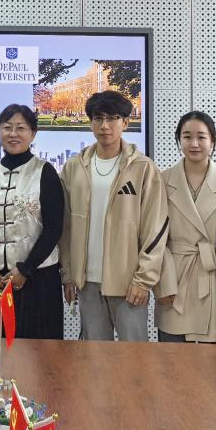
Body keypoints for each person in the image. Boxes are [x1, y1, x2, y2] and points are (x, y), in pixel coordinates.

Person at [60, 89, 168, 342]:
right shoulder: (75, 167)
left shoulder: (142, 168)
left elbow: (156, 227)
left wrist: (144, 280)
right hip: (87, 282)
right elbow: (66, 227)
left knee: (133, 356)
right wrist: (68, 274)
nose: (105, 126)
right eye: (98, 118)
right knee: (94, 357)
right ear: (90, 123)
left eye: (112, 118)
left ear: (126, 123)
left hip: (128, 282)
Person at [0, 104, 65, 339]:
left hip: (37, 278)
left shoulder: (45, 172)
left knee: (38, 351)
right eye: (7, 127)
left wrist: (26, 269)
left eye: (21, 128)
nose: (13, 134)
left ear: (33, 133)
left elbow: (54, 228)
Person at [156, 111, 216, 344]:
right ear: (178, 140)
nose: (194, 143)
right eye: (187, 137)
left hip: (214, 279)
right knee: (172, 360)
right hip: (175, 279)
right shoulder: (161, 181)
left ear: (213, 142)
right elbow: (153, 238)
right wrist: (163, 284)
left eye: (201, 137)